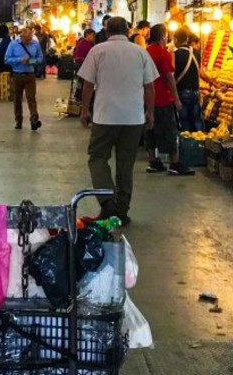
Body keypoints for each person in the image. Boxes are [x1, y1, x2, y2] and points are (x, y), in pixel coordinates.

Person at [78, 17, 158, 225]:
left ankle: (107, 203)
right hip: (133, 118)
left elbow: (88, 84)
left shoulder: (98, 51)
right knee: (125, 163)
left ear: (106, 30)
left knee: (97, 157)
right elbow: (149, 87)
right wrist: (150, 112)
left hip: (105, 116)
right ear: (128, 30)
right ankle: (121, 209)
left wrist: (84, 110)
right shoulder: (141, 52)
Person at [146, 24, 194, 176]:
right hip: (162, 99)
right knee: (169, 131)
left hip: (146, 98)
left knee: (150, 130)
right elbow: (169, 77)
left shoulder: (145, 53)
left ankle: (153, 161)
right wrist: (177, 98)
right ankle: (174, 163)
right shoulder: (164, 54)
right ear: (163, 36)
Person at [5, 24, 45, 130]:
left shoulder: (35, 44)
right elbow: (7, 59)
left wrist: (31, 61)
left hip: (30, 75)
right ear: (21, 36)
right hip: (17, 75)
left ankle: (34, 119)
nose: (28, 41)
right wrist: (19, 60)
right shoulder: (13, 44)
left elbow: (40, 58)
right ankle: (18, 120)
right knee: (17, 99)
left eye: (30, 39)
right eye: (26, 39)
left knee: (31, 98)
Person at [172, 28, 205, 134]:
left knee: (184, 120)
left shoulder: (175, 54)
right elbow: (200, 72)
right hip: (195, 91)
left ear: (175, 39)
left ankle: (186, 143)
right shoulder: (196, 53)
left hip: (182, 91)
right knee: (196, 119)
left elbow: (172, 74)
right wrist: (213, 82)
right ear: (187, 39)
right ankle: (199, 141)